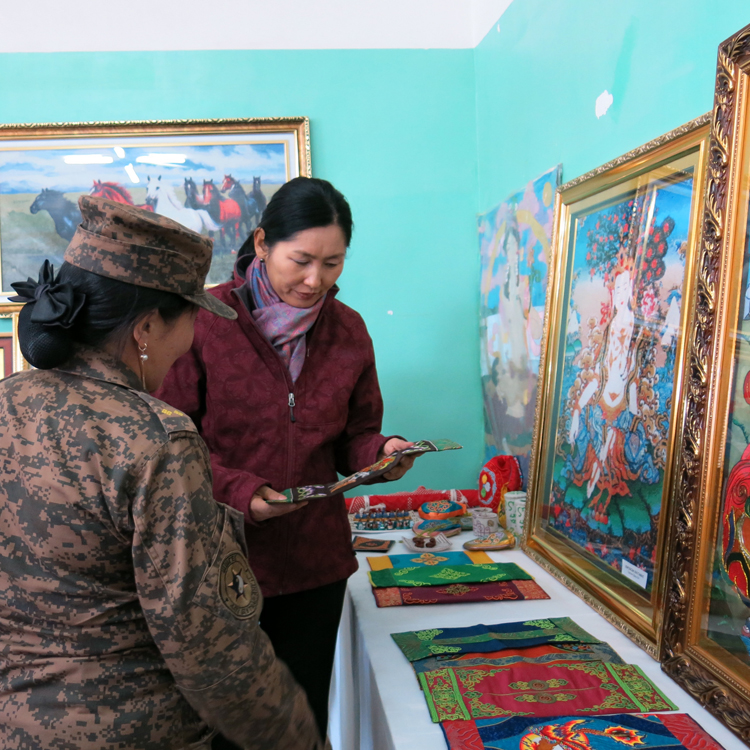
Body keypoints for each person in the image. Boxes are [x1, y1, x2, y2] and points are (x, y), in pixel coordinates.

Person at [0, 195, 324, 750]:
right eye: (193, 316)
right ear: (147, 326)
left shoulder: (8, 401)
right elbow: (214, 653)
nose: (194, 336)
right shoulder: (156, 439)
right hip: (132, 731)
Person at [156, 177, 417, 740]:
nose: (314, 280)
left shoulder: (348, 332)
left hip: (313, 569)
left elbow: (355, 436)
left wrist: (383, 453)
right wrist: (238, 490)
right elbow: (170, 442)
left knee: (301, 723)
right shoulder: (203, 321)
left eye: (332, 263)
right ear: (261, 243)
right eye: (301, 260)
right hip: (218, 562)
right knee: (221, 727)